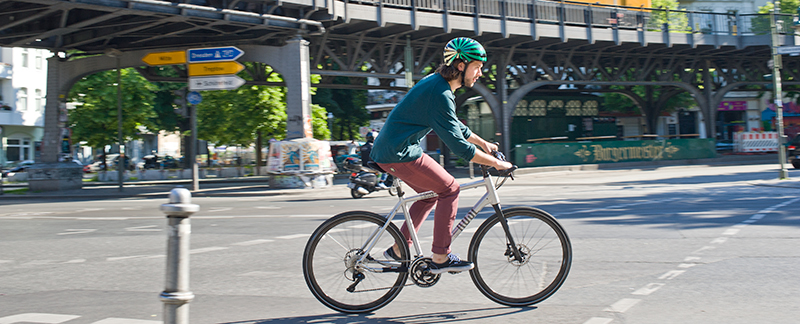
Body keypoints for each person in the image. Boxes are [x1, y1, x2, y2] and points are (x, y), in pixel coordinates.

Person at [371, 37, 513, 274]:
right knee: (450, 189)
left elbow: (454, 125)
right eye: (476, 67)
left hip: (397, 149)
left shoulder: (438, 85)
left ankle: (398, 250)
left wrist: (484, 143)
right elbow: (459, 146)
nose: (479, 73)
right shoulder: (440, 92)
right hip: (397, 153)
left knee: (429, 196)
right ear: (461, 66)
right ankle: (440, 257)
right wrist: (497, 163)